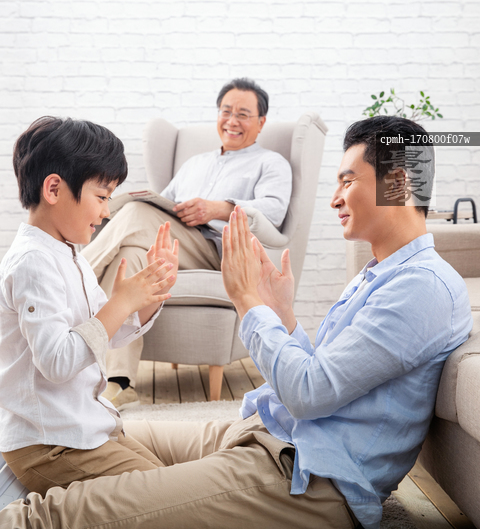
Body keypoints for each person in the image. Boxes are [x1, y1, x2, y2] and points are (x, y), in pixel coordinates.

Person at [0, 115, 471, 529]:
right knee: (103, 434)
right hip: (270, 433)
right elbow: (329, 376)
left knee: (76, 508)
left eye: (347, 182)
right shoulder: (378, 274)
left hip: (305, 473)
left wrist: (248, 302)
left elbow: (311, 392)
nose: (334, 199)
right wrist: (283, 316)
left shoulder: (422, 287)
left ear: (398, 185)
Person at [82, 77, 292, 409]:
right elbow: (162, 205)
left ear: (261, 122)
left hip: (217, 249)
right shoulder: (195, 163)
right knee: (130, 255)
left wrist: (219, 208)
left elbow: (275, 211)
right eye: (226, 111)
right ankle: (119, 382)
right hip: (177, 242)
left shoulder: (271, 162)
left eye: (243, 114)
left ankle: (74, 276)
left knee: (135, 214)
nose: (232, 121)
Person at [0, 117, 178, 497]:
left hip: (83, 429)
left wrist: (149, 294)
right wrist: (121, 300)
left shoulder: (70, 255)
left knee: (172, 480)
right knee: (169, 494)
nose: (107, 211)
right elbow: (57, 361)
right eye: (101, 197)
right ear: (54, 189)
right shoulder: (33, 263)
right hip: (48, 445)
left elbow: (107, 332)